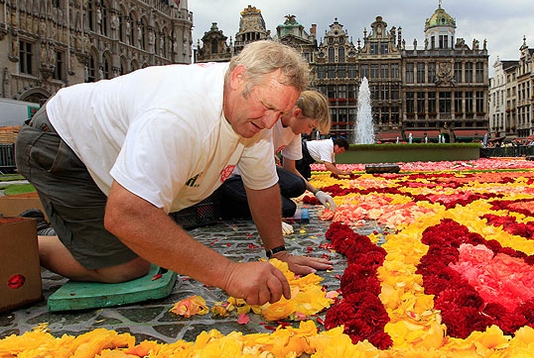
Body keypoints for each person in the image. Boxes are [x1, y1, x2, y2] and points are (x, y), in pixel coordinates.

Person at [14, 40, 331, 306]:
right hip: (63, 146)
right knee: (127, 267)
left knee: (151, 240)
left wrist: (277, 253)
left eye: (280, 112)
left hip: (108, 162)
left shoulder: (255, 114)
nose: (269, 122)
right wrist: (231, 274)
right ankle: (26, 242)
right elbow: (127, 216)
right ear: (238, 77)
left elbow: (262, 185)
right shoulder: (178, 114)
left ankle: (62, 227)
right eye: (266, 107)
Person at [214, 90, 337, 232]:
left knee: (297, 185)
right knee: (287, 208)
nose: (308, 133)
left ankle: (250, 203)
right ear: (297, 113)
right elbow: (256, 171)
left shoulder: (294, 131)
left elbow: (290, 169)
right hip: (233, 176)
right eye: (310, 126)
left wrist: (317, 192)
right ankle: (231, 204)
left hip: (261, 172)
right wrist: (271, 218)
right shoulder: (268, 121)